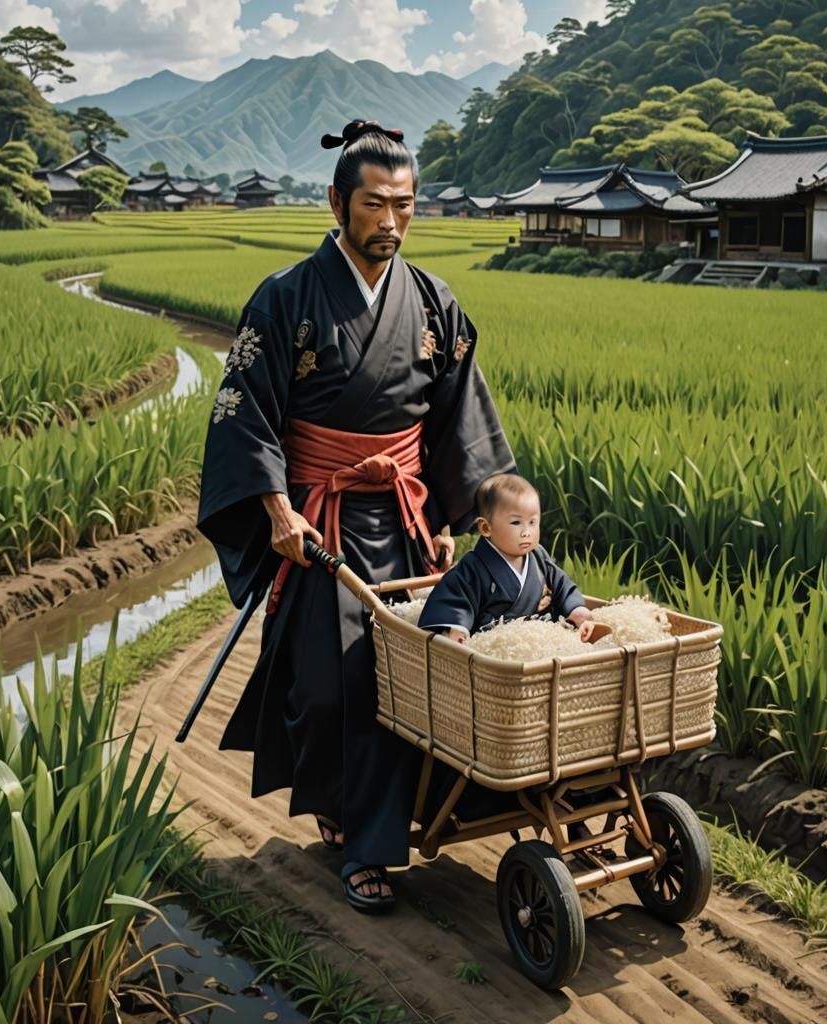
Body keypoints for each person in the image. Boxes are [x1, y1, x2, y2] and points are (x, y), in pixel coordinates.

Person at [196, 119, 515, 914]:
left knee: (427, 671)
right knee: (335, 688)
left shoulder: (435, 302)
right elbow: (243, 415)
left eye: (406, 206)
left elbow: (455, 416)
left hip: (404, 517)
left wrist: (455, 511)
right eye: (376, 205)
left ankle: (381, 839)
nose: (393, 222)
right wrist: (275, 510)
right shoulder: (286, 298)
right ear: (338, 202)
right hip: (320, 522)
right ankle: (350, 816)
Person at [418, 473, 595, 641]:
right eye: (516, 523)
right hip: (496, 646)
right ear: (486, 528)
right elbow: (454, 598)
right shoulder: (473, 567)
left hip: (540, 639)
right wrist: (457, 628)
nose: (527, 532)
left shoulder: (538, 556)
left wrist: (575, 608)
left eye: (532, 522)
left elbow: (562, 585)